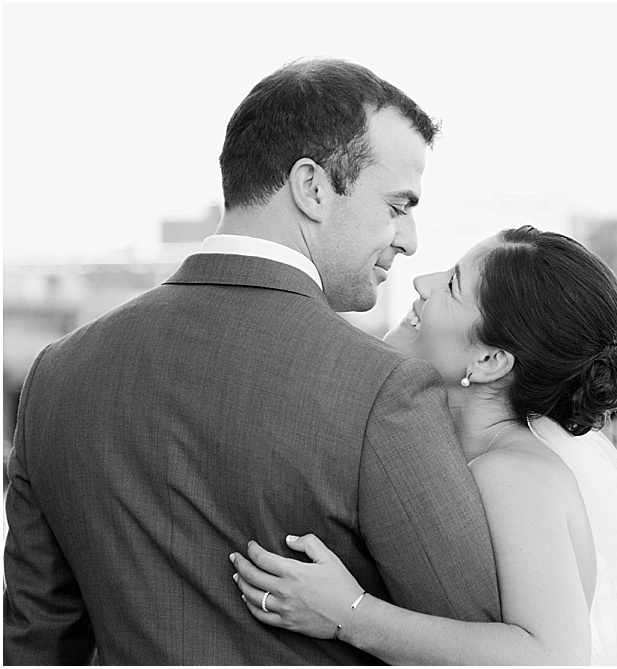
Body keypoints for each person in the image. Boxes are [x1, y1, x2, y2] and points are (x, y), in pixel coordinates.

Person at [3, 58, 501, 665]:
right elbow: (477, 645)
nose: (410, 238)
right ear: (312, 187)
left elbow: (36, 643)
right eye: (398, 204)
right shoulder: (383, 390)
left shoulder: (57, 374)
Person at [231, 226, 617, 664]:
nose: (421, 282)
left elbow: (551, 657)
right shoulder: (459, 452)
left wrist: (349, 614)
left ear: (491, 361)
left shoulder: (513, 473)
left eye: (452, 285)